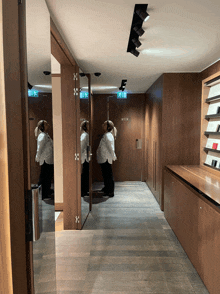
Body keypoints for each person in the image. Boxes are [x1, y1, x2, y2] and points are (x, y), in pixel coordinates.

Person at [96, 120, 117, 197]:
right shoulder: (106, 135)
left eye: (104, 124)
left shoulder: (108, 135)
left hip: (106, 158)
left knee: (108, 175)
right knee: (105, 174)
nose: (102, 125)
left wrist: (113, 156)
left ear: (108, 127)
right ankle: (106, 188)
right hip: (104, 158)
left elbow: (110, 147)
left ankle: (110, 191)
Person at [35, 120, 54, 200]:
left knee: (48, 177)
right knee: (45, 177)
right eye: (46, 124)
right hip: (45, 160)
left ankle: (47, 191)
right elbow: (39, 149)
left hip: (49, 159)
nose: (48, 125)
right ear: (42, 127)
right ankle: (44, 195)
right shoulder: (42, 136)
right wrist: (37, 158)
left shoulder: (46, 135)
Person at [80, 120, 89, 197]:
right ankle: (83, 191)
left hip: (86, 157)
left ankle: (85, 190)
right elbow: (82, 147)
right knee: (84, 175)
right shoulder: (84, 135)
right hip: (84, 158)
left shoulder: (86, 135)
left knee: (85, 174)